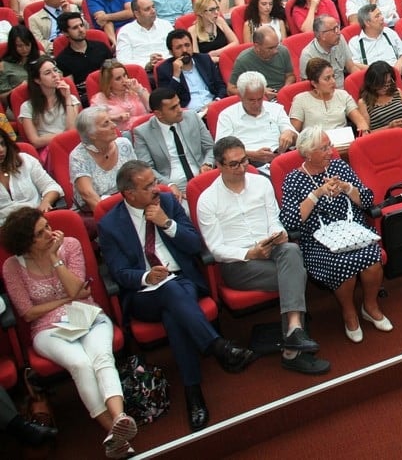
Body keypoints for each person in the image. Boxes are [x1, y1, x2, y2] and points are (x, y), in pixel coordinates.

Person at [98, 160, 256, 431]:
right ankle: (217, 346)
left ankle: (194, 392)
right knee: (168, 291)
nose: (156, 189)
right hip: (144, 294)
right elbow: (118, 271)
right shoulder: (110, 224)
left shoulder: (168, 203)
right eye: (148, 187)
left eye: (154, 181)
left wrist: (167, 223)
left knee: (173, 312)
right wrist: (146, 277)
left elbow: (195, 244)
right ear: (129, 194)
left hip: (181, 281)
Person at [2, 207, 138, 458]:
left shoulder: (70, 245)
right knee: (80, 363)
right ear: (25, 242)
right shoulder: (12, 266)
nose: (50, 234)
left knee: (101, 357)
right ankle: (114, 433)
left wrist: (56, 259)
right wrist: (67, 298)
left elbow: (78, 291)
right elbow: (28, 313)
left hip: (86, 315)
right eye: (40, 233)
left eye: (46, 226)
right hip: (47, 329)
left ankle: (119, 417)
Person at [198, 136, 329, 374]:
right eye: (234, 164)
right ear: (218, 165)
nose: (241, 168)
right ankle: (293, 346)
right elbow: (216, 248)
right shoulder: (207, 200)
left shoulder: (261, 183)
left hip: (271, 249)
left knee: (290, 248)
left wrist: (277, 234)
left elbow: (274, 221)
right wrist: (249, 252)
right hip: (239, 264)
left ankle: (293, 335)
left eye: (244, 161)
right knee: (295, 273)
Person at [279, 126, 391, 341]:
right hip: (316, 239)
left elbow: (368, 200)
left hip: (352, 231)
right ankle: (349, 312)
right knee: (343, 266)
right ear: (308, 153)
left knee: (372, 260)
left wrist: (348, 188)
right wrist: (317, 193)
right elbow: (290, 220)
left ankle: (370, 305)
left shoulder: (340, 166)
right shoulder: (293, 179)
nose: (331, 151)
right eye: (324, 148)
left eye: (329, 145)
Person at [133, 87, 213, 202]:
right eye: (173, 108)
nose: (180, 110)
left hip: (202, 177)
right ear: (158, 114)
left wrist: (207, 164)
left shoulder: (192, 117)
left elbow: (210, 147)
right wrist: (168, 185)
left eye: (179, 104)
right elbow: (147, 168)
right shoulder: (142, 133)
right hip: (173, 186)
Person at [217, 71, 297, 166]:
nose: (257, 104)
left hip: (279, 157)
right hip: (248, 164)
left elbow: (295, 138)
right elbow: (222, 151)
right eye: (251, 100)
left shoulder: (276, 109)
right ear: (241, 97)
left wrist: (289, 133)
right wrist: (251, 155)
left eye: (260, 99)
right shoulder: (227, 116)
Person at [69, 107, 136, 213]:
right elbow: (88, 195)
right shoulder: (79, 156)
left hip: (129, 202)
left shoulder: (124, 144)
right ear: (92, 135)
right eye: (106, 124)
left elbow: (137, 177)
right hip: (96, 210)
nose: (114, 125)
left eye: (111, 121)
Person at [19, 56, 81, 161]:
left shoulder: (70, 98)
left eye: (55, 70)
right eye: (48, 73)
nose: (55, 75)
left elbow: (73, 129)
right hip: (49, 151)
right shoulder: (27, 107)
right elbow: (35, 141)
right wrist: (64, 135)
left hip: (73, 145)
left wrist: (67, 98)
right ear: (37, 80)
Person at [290, 58, 368, 134]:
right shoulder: (300, 100)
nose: (333, 81)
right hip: (316, 145)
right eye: (327, 78)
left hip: (343, 142)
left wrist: (364, 131)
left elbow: (360, 121)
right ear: (314, 83)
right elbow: (294, 133)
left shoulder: (342, 95)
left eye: (333, 76)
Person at [0, 127, 62, 222]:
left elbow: (52, 187)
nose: (1, 149)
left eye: (2, 144)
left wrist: (45, 202)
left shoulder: (25, 160)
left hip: (37, 221)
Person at [227, 27, 294, 97]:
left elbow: (290, 76)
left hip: (283, 95)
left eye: (277, 46)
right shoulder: (243, 60)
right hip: (258, 99)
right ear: (257, 47)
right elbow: (231, 89)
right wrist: (259, 91)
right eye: (270, 48)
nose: (276, 51)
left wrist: (285, 89)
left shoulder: (283, 51)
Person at [357, 60, 402, 133]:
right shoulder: (363, 103)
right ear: (372, 83)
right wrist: (389, 127)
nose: (386, 87)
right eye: (381, 84)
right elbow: (366, 133)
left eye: (388, 83)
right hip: (383, 139)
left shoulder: (397, 92)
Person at [89, 61, 150, 134]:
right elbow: (93, 121)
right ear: (108, 82)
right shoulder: (100, 98)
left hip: (147, 129)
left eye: (125, 75)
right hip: (123, 135)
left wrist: (139, 90)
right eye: (118, 78)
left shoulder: (136, 89)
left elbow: (153, 108)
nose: (124, 80)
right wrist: (114, 117)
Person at [0, 25, 40, 103]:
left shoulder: (40, 57)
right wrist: (19, 89)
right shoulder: (3, 66)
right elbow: (2, 99)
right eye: (20, 46)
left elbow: (59, 75)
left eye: (27, 44)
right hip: (19, 103)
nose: (24, 49)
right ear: (13, 46)